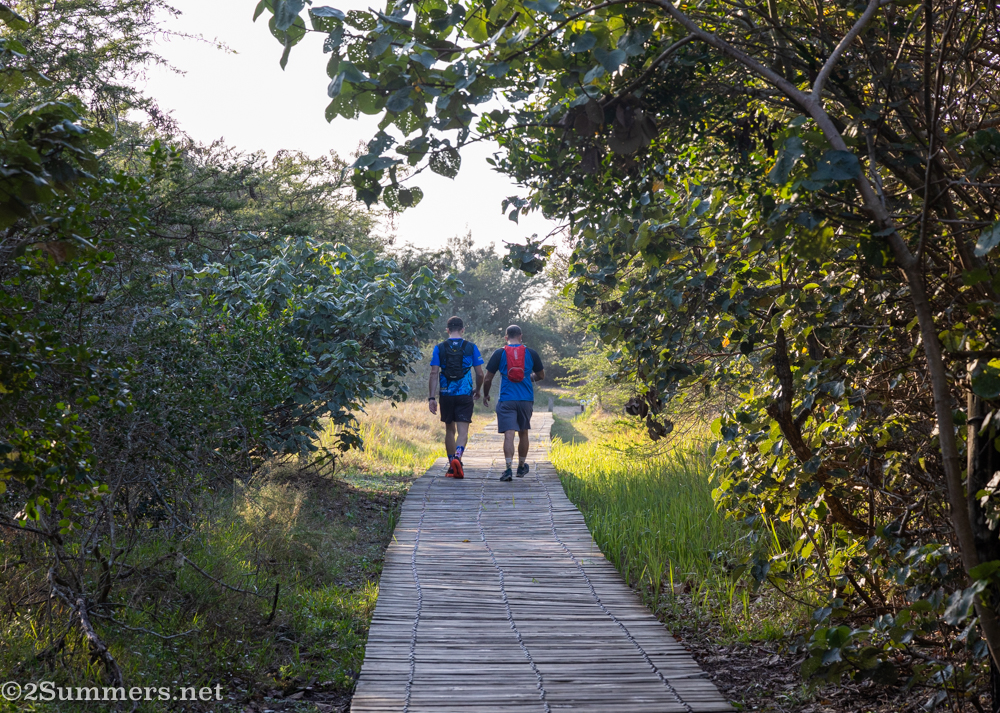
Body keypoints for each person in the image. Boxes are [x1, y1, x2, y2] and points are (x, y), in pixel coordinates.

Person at [482, 324, 545, 482]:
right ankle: (521, 466)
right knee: (523, 432)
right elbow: (541, 375)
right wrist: (529, 378)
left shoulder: (500, 353)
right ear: (521, 336)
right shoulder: (531, 353)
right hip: (525, 399)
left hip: (507, 399)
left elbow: (487, 378)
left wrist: (486, 394)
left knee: (509, 435)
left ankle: (508, 469)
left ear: (506, 337)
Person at [428, 316, 484, 479]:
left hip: (446, 395)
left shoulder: (439, 348)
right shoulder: (471, 347)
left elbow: (433, 373)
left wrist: (431, 397)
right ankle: (458, 457)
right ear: (462, 329)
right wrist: (478, 390)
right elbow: (480, 373)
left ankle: (451, 465)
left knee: (449, 430)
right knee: (463, 431)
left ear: (447, 330)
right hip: (465, 394)